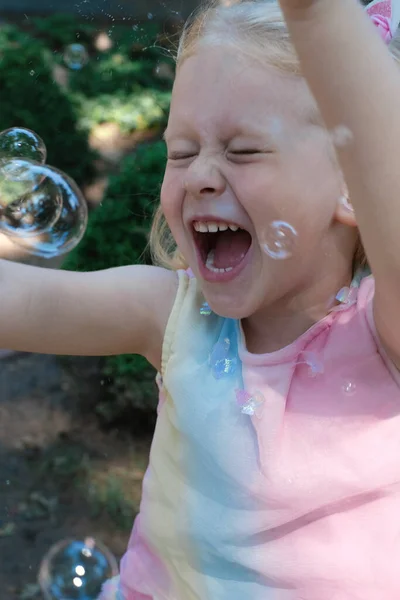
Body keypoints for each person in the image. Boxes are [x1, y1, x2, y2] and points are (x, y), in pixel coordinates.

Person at [3, 0, 400, 596]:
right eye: (181, 151)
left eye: (242, 150)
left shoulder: (383, 338)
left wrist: (316, 15)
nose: (200, 176)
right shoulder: (173, 316)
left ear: (351, 183)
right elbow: (24, 303)